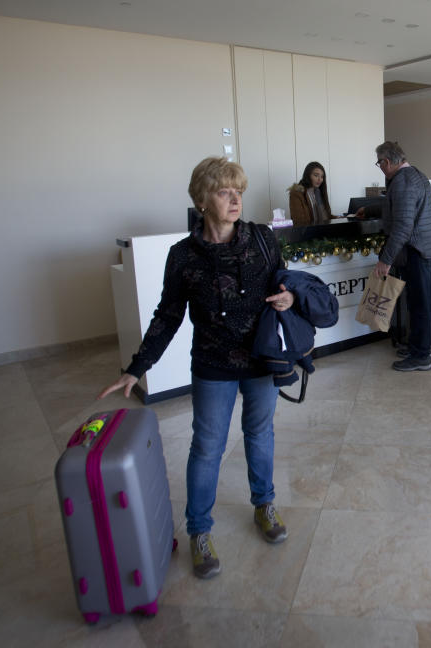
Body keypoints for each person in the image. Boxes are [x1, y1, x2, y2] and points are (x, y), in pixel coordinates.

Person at [98, 156, 293, 580]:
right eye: (225, 191)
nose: (235, 198)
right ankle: (199, 531)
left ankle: (264, 504)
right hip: (212, 362)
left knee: (260, 433)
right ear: (203, 199)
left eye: (239, 190)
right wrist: (138, 367)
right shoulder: (183, 256)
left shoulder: (261, 238)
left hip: (262, 357)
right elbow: (167, 315)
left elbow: (285, 282)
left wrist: (288, 298)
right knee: (207, 447)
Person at [372, 141, 431, 371]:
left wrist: (386, 259)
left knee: (419, 304)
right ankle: (417, 346)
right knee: (417, 302)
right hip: (424, 248)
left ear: (387, 161)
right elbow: (402, 209)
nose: (380, 168)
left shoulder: (402, 181)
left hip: (417, 251)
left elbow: (403, 225)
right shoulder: (415, 174)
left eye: (379, 163)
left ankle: (422, 356)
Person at [288, 161, 333, 227]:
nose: (320, 179)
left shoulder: (318, 193)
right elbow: (299, 222)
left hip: (322, 231)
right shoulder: (296, 194)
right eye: (316, 175)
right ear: (307, 175)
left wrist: (346, 217)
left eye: (322, 176)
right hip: (307, 234)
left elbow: (326, 216)